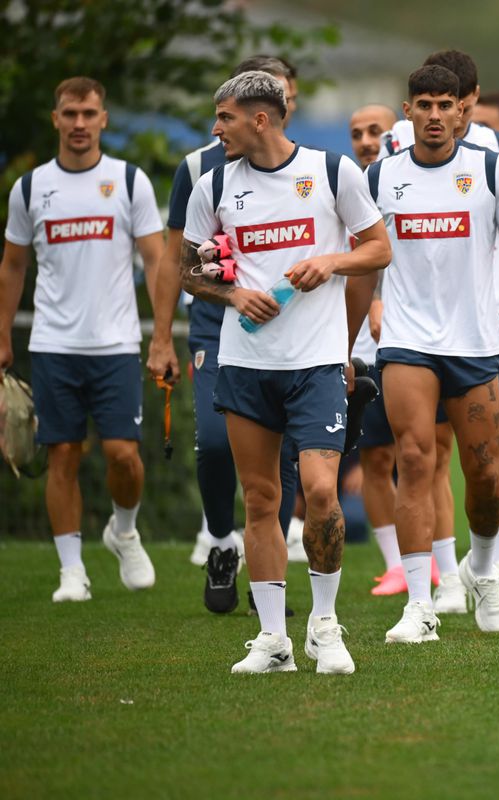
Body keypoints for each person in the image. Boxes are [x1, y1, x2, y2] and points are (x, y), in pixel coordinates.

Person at [181, 71, 390, 674]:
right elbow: (188, 272)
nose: (216, 129)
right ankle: (273, 640)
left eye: (225, 118)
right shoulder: (214, 183)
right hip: (245, 362)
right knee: (262, 499)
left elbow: (379, 249)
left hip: (318, 362)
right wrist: (233, 297)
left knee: (321, 491)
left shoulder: (332, 172)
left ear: (260, 119)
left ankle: (325, 624)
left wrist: (329, 261)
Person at [369, 64, 499, 643]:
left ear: (463, 111)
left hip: (477, 343)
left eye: (445, 105)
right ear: (407, 111)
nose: (435, 115)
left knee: (484, 473)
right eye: (424, 104)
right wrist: (348, 338)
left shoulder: (491, 171)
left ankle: (482, 572)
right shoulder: (380, 176)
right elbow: (363, 266)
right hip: (407, 343)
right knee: (413, 460)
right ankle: (419, 604)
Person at [147, 56, 306, 616]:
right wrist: (162, 337)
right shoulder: (197, 169)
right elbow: (176, 259)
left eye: (285, 93)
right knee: (215, 443)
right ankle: (220, 542)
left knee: (282, 458)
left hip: (289, 333)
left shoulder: (308, 169)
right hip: (217, 328)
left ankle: (271, 578)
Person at [0, 76, 163, 603]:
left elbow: (158, 259)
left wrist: (162, 336)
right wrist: (3, 334)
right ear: (55, 118)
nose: (79, 124)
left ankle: (123, 531)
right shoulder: (29, 188)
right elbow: (12, 266)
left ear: (103, 119)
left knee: (123, 455)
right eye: (70, 114)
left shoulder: (129, 181)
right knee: (62, 454)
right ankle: (71, 572)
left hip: (117, 343)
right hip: (52, 344)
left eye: (89, 114)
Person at [345, 102, 416, 595]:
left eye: (376, 130)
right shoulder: (346, 185)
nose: (367, 140)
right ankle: (396, 563)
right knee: (375, 457)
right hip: (366, 344)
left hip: (414, 340)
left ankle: (440, 563)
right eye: (357, 133)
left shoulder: (407, 181)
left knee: (419, 455)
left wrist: (385, 299)